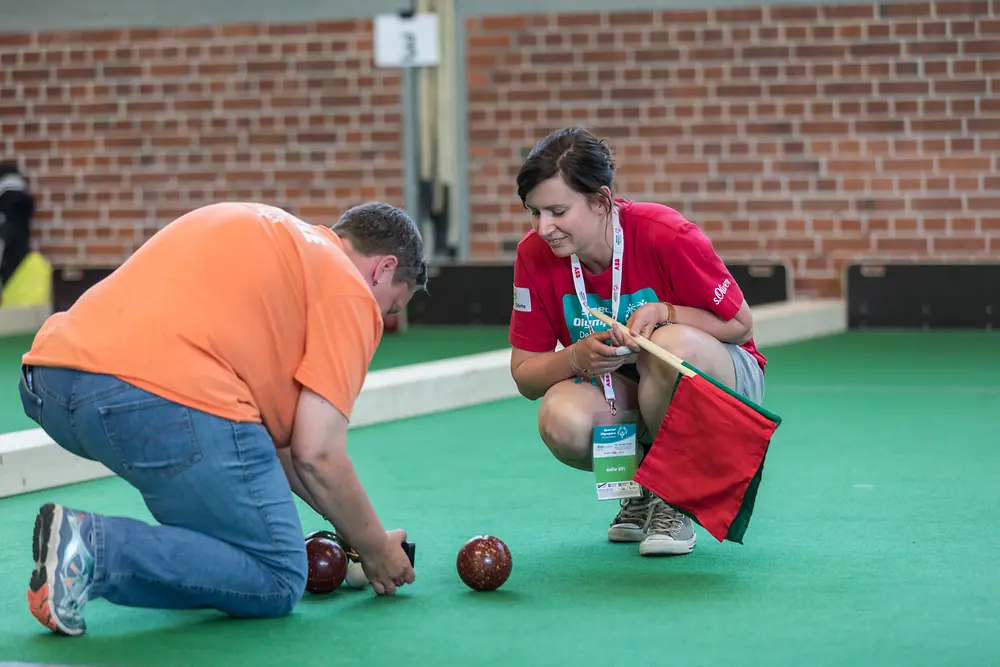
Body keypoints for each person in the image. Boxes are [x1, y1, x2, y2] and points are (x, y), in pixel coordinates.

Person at [19, 200, 426, 636]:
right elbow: (317, 454)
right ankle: (92, 549)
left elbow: (284, 452)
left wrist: (358, 536)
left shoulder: (266, 228)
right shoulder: (350, 288)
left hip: (51, 382)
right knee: (277, 577)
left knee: (231, 545)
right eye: (392, 307)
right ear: (383, 269)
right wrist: (376, 549)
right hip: (163, 400)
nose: (382, 318)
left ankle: (100, 549)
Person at [508, 127, 767, 557]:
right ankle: (644, 487)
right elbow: (525, 376)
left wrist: (669, 313)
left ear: (601, 201)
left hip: (722, 380)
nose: (544, 228)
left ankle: (674, 497)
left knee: (671, 348)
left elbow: (740, 324)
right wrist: (576, 357)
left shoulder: (664, 233)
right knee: (561, 419)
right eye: (534, 212)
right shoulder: (532, 255)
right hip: (630, 388)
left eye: (557, 210)